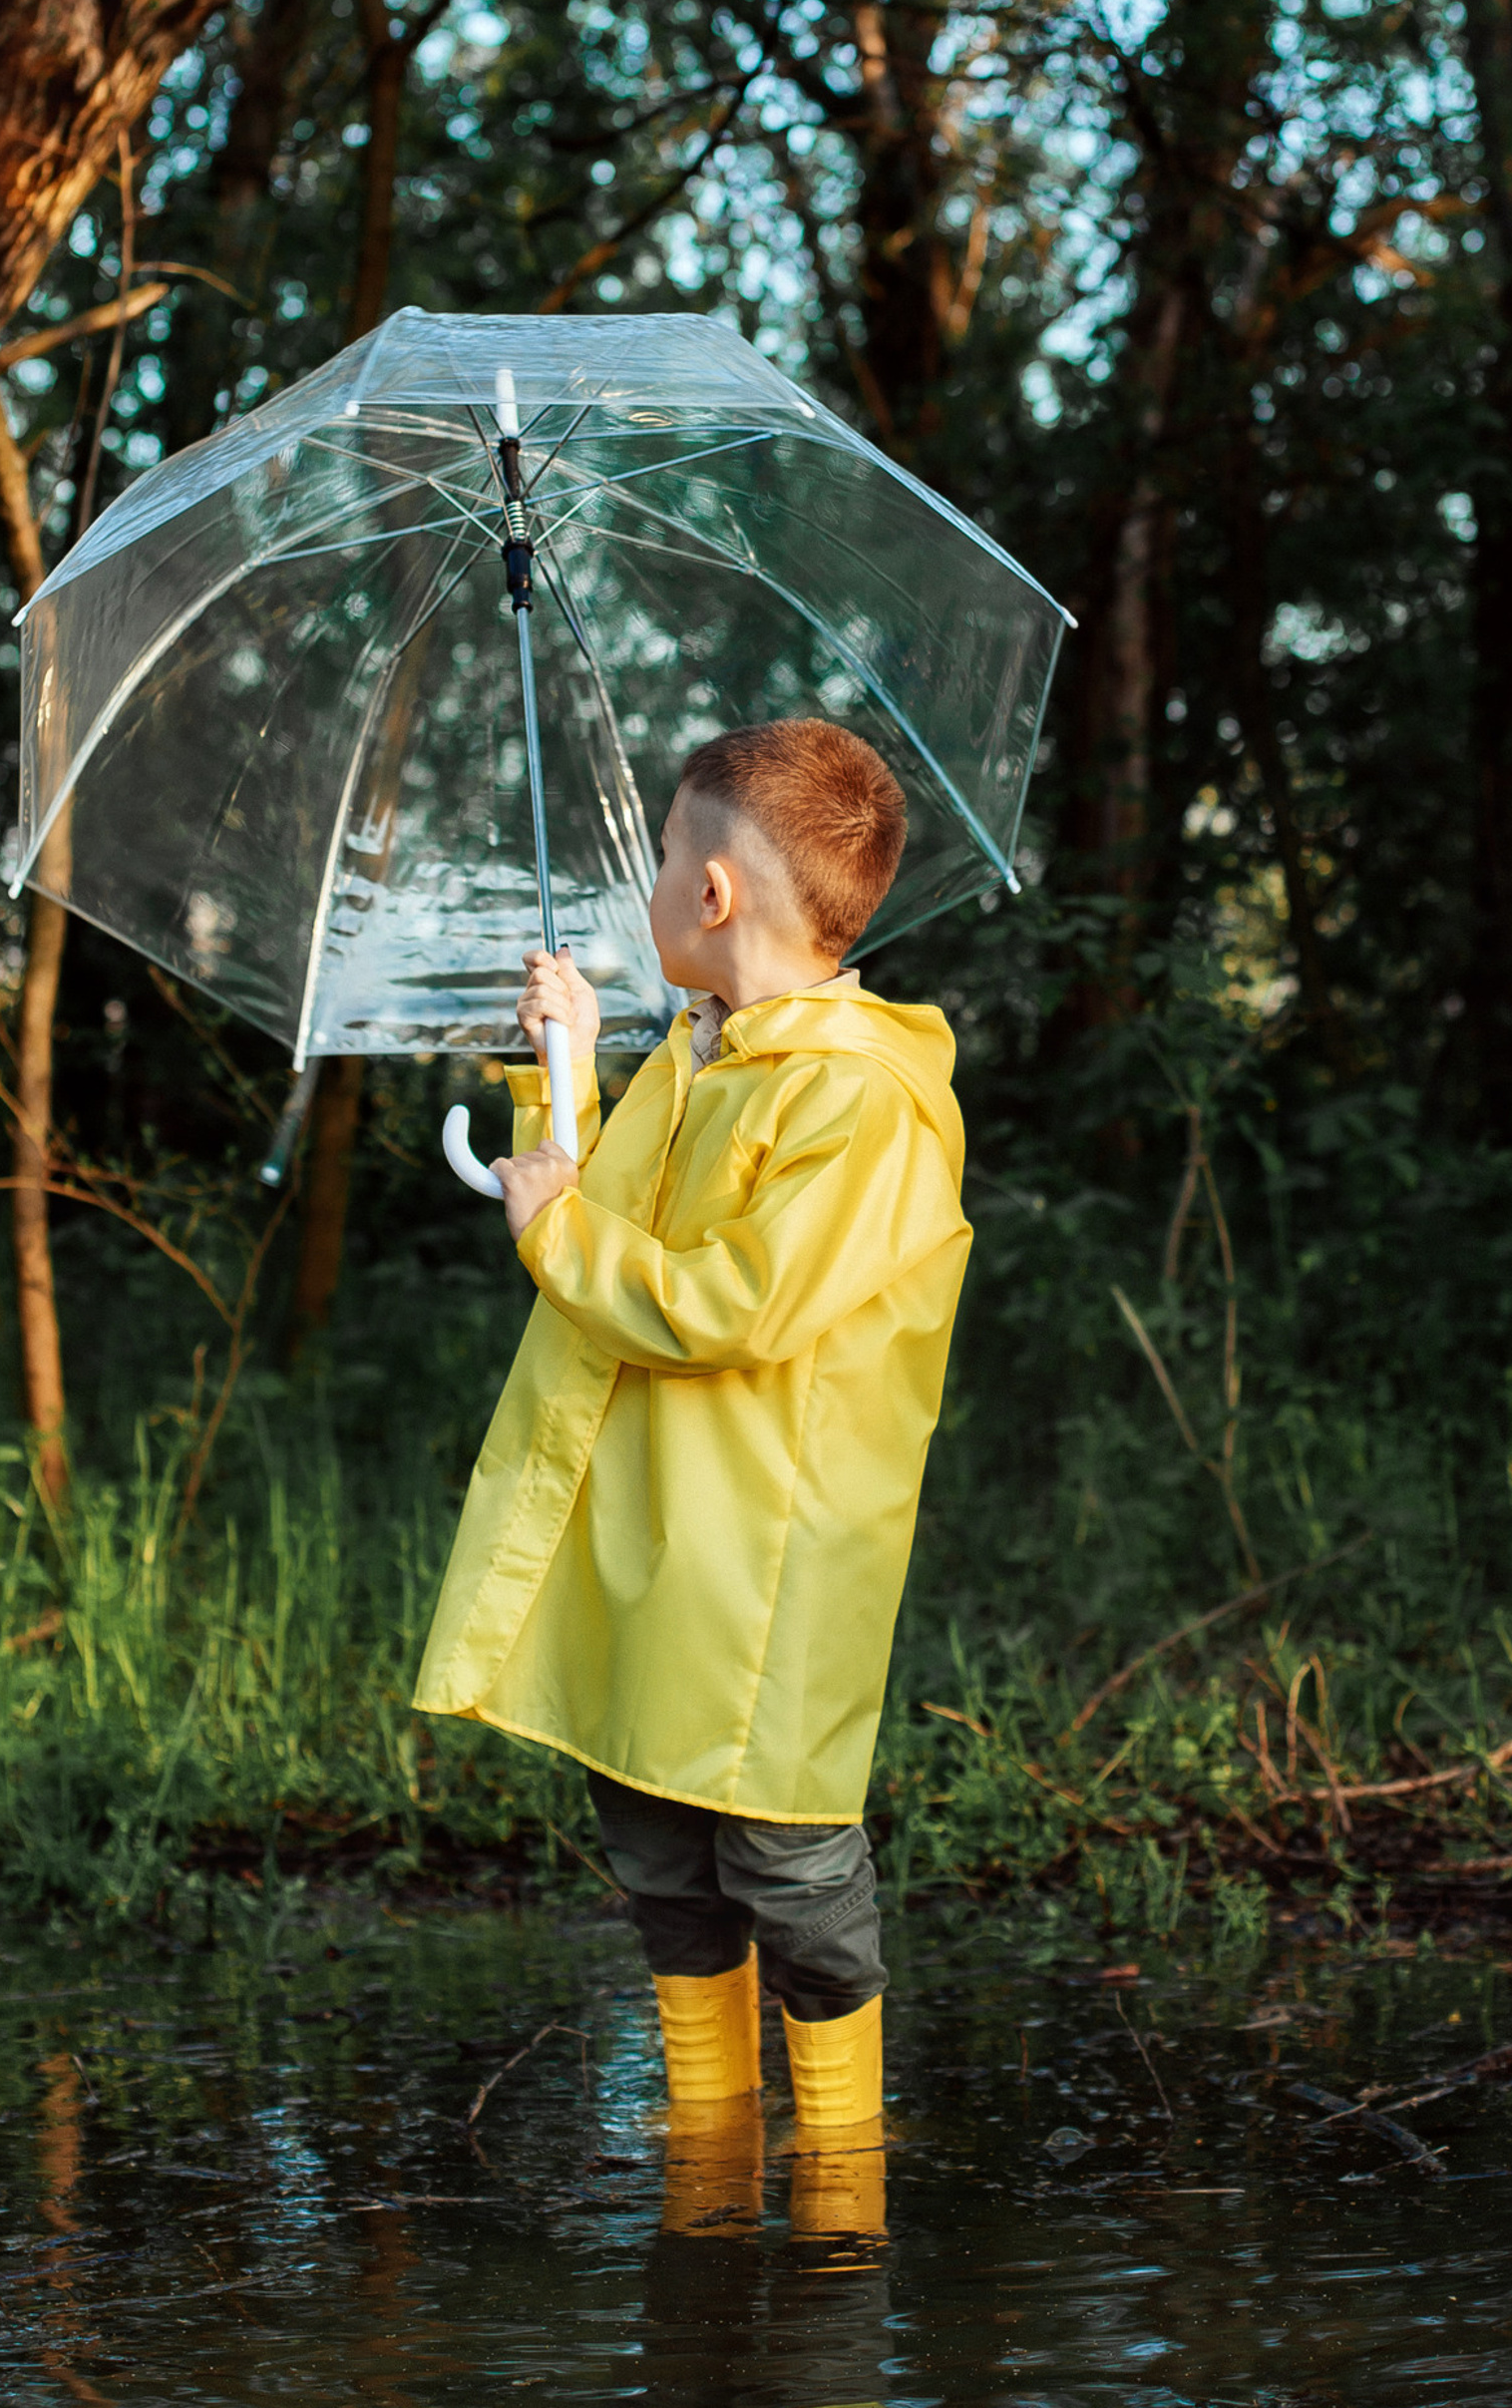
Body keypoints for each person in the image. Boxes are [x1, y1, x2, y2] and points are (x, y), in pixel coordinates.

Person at [412, 717, 971, 2237]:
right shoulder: (701, 1053)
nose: (651, 885)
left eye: (666, 857)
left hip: (768, 1557)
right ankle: (710, 2172)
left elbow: (731, 1304)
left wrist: (558, 1236)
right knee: (662, 1851)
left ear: (716, 895)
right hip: (649, 1533)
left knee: (790, 1869)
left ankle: (841, 2192)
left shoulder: (862, 1099)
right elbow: (597, 1207)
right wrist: (564, 1071)